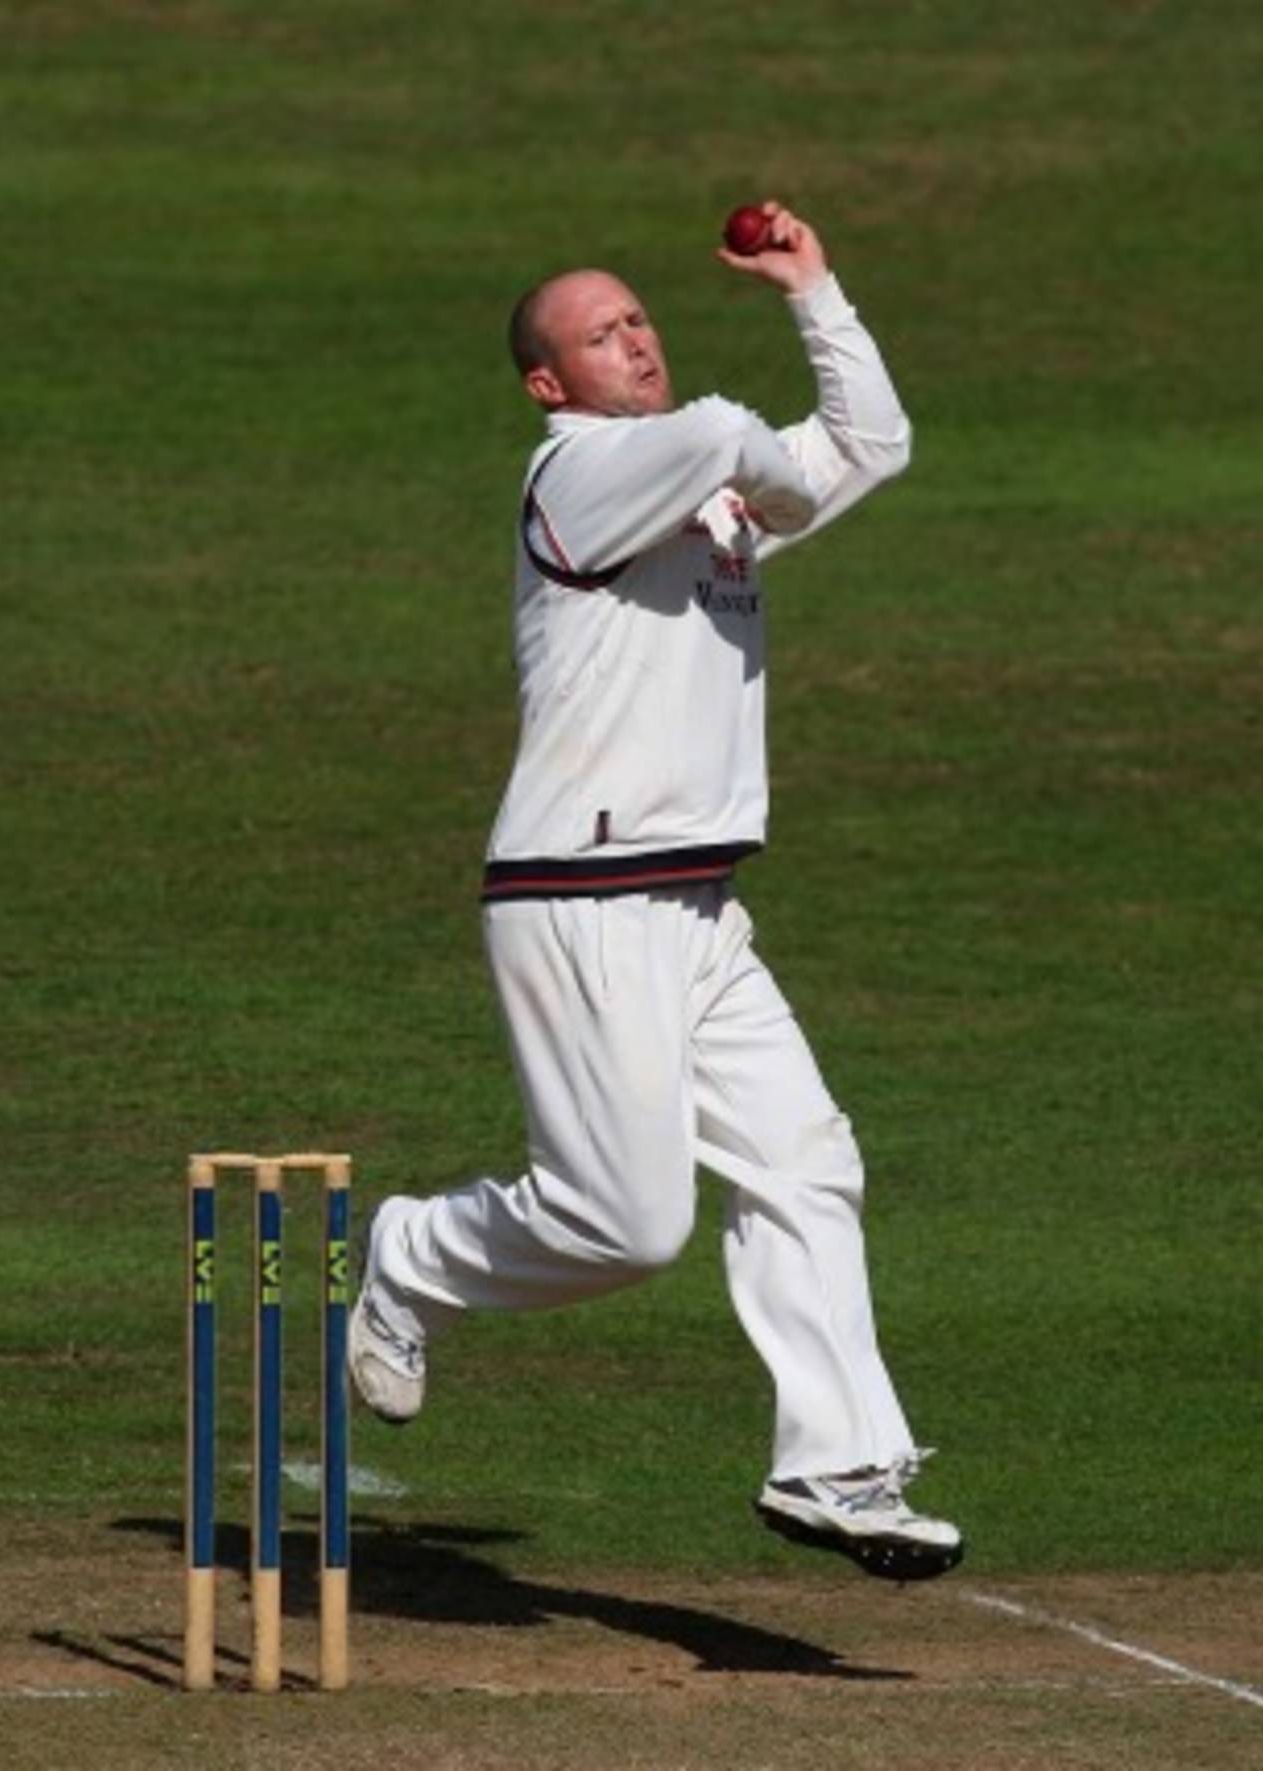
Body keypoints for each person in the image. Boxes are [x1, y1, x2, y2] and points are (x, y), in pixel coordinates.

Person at [349, 203, 963, 1581]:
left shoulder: (698, 481)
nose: (637, 340)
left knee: (808, 1164)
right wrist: (769, 481)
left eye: (640, 318)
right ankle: (408, 1256)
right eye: (602, 332)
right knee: (626, 1228)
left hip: (694, 908)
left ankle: (839, 1464)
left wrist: (814, 289)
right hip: (582, 891)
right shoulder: (574, 476)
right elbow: (741, 435)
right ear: (547, 383)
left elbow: (874, 445)